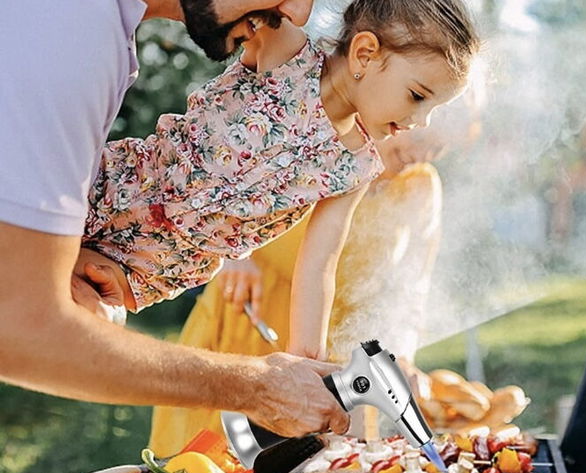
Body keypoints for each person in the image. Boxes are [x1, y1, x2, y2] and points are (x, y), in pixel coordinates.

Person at [0, 0, 353, 439]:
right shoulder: (71, 37)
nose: (299, 14)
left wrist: (59, 273)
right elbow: (22, 328)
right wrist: (259, 388)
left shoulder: (95, 31)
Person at [73, 0, 479, 369]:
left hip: (144, 268)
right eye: (417, 96)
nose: (421, 121)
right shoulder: (287, 53)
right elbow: (218, 13)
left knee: (73, 312)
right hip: (109, 188)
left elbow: (319, 264)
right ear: (365, 53)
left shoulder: (356, 166)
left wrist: (306, 363)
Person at [148, 130, 445, 456]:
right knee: (202, 467)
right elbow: (216, 178)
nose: (422, 154)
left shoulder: (420, 188)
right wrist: (233, 252)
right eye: (422, 138)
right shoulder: (320, 140)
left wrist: (400, 355)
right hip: (248, 323)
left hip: (326, 355)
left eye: (438, 146)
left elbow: (410, 287)